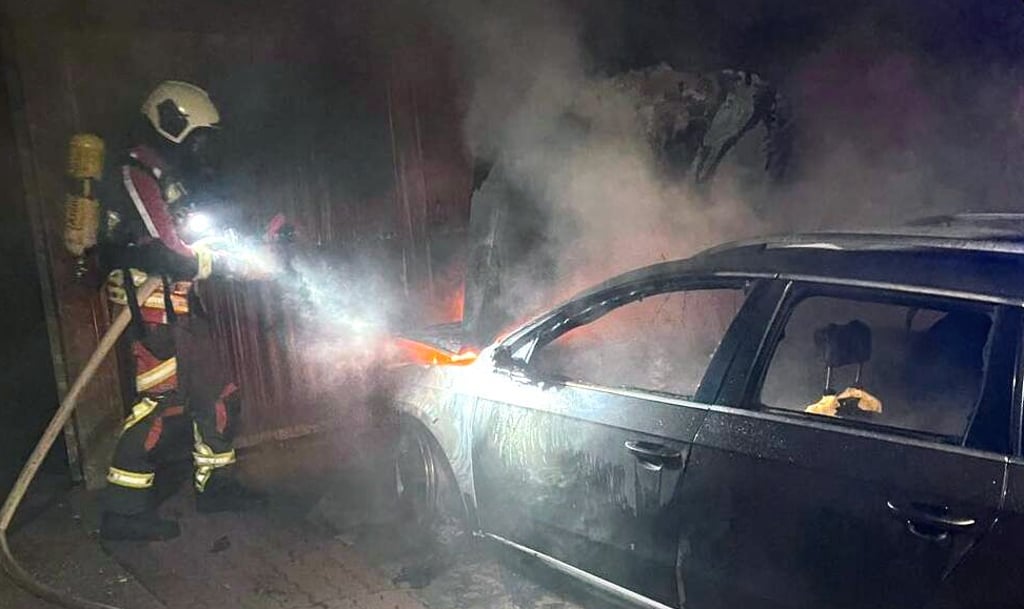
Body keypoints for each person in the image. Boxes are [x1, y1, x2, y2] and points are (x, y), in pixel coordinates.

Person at [97, 81, 267, 541]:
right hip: (152, 310)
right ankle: (124, 513)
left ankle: (217, 486)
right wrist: (225, 263)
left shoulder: (168, 174)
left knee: (218, 393)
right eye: (199, 137)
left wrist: (241, 243)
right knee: (157, 407)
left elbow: (192, 234)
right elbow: (170, 252)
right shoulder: (136, 174)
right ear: (172, 126)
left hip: (181, 304)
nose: (203, 148)